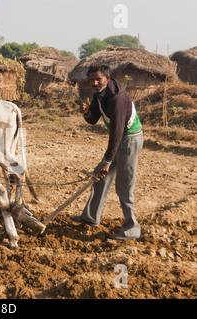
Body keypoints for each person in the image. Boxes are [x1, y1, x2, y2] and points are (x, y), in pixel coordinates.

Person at [70, 64, 144, 240]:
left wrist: (107, 161)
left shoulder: (116, 98)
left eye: (98, 79)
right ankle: (90, 218)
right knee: (99, 177)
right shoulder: (100, 93)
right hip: (121, 139)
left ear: (107, 78)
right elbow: (93, 119)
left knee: (124, 185)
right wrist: (86, 113)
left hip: (129, 139)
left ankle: (131, 229)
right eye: (92, 80)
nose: (95, 83)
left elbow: (117, 133)